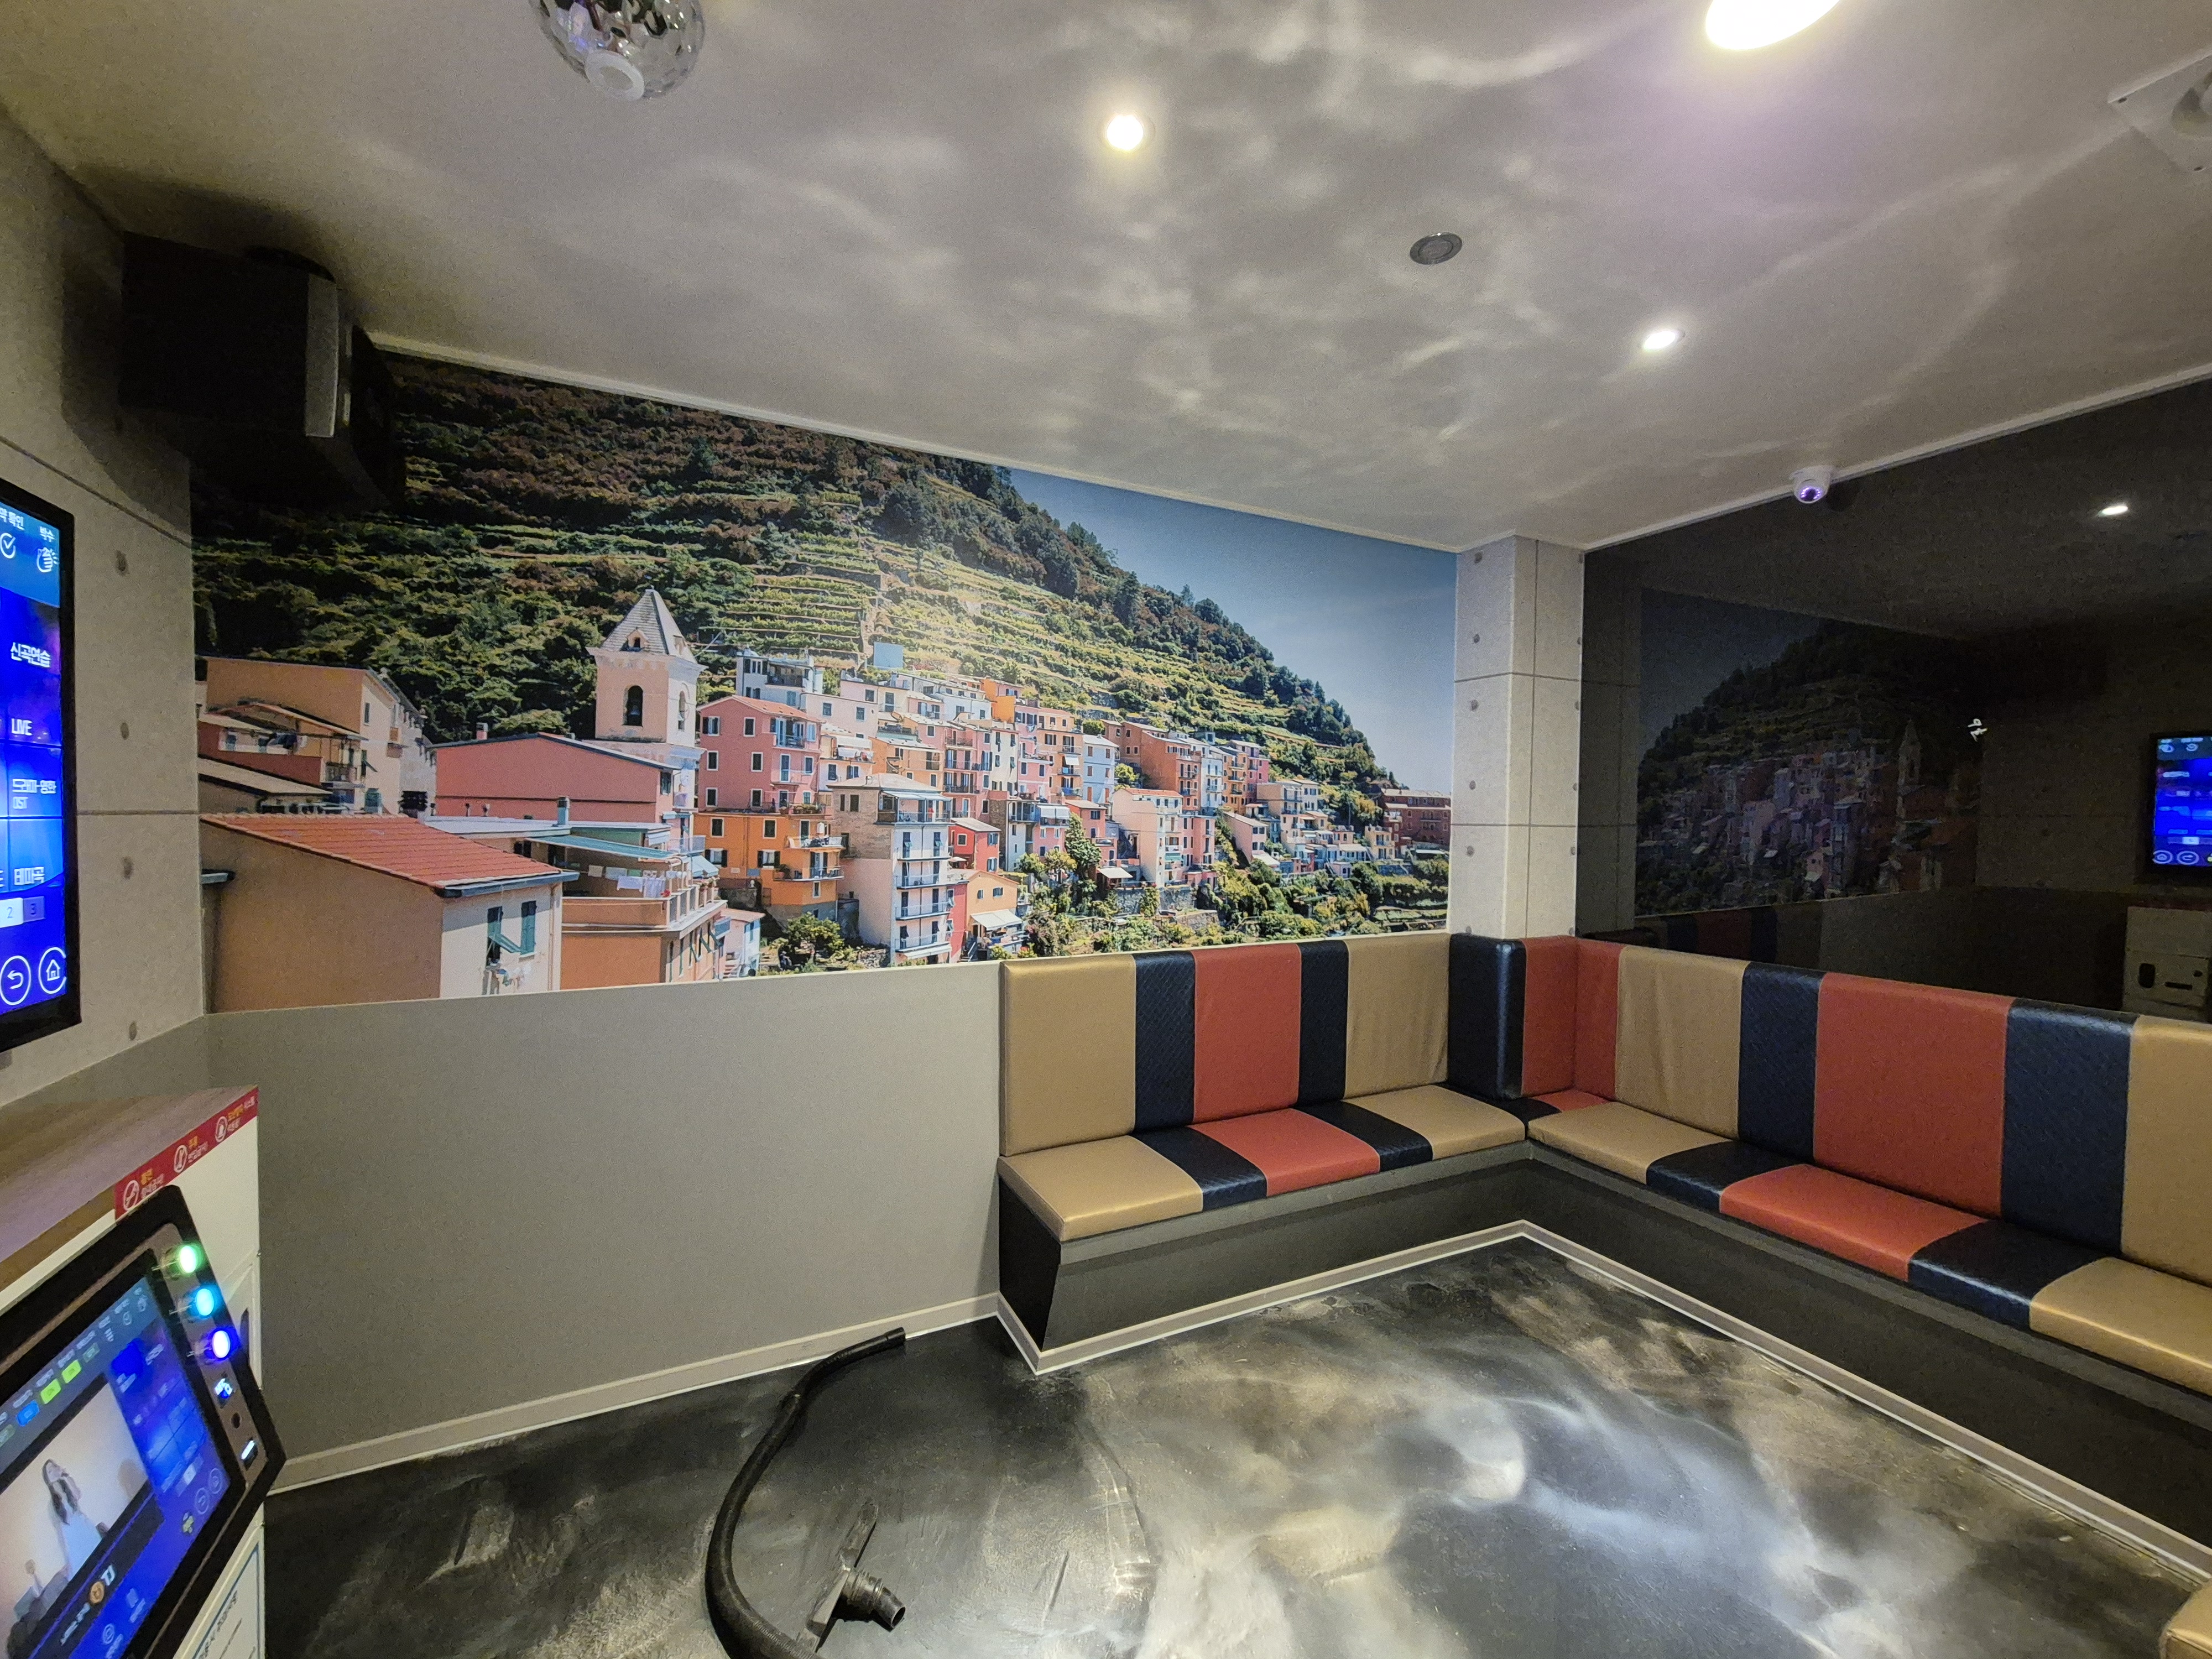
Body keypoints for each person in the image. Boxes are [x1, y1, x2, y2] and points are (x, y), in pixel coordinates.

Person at [41, 1463, 102, 1578]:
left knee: (99, 1553)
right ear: (47, 1479)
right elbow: (59, 1533)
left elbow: (78, 1495)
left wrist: (66, 1476)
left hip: (83, 1525)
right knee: (84, 1565)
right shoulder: (51, 1505)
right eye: (50, 1471)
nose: (53, 1472)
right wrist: (66, 1559)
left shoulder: (67, 1485)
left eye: (54, 1467)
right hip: (72, 1535)